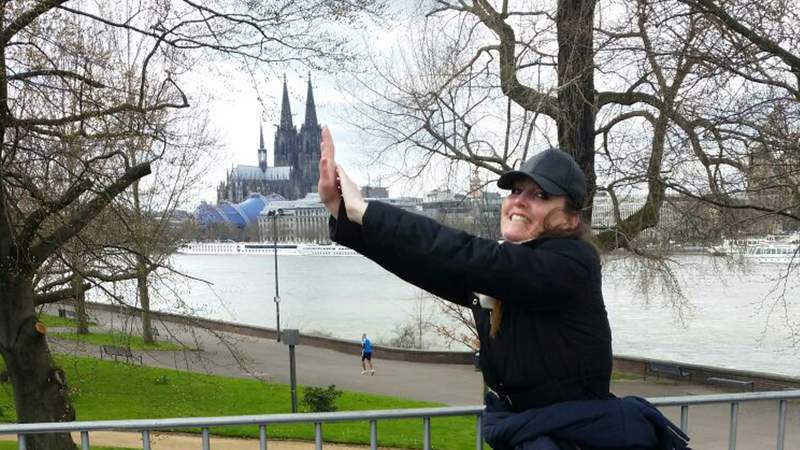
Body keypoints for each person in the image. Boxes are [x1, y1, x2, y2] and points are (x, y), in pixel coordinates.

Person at [318, 127, 690, 449]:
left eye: (540, 196)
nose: (519, 201)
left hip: (576, 440)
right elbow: (429, 264)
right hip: (534, 435)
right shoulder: (511, 272)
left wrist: (367, 210)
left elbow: (467, 256)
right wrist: (344, 215)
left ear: (571, 217)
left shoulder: (571, 263)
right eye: (515, 190)